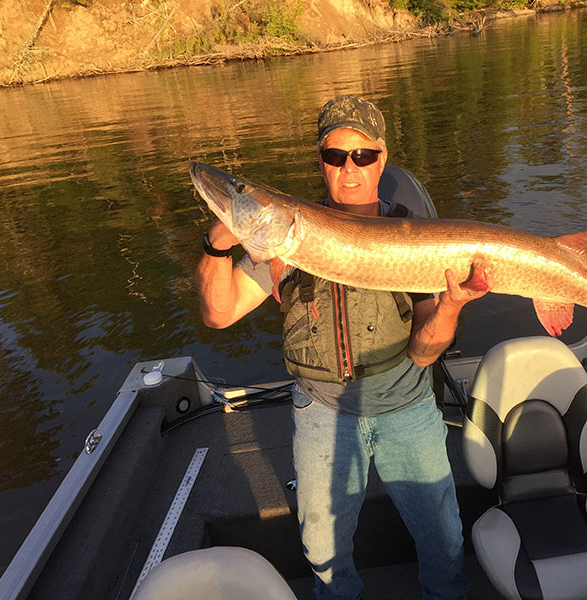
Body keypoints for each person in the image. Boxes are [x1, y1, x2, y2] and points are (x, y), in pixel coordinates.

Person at [195, 95, 493, 600]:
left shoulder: (416, 236)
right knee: (324, 554)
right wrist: (215, 245)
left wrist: (451, 305)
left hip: (407, 406)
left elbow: (424, 354)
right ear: (320, 162)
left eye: (362, 156)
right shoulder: (283, 237)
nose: (349, 169)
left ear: (381, 157)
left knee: (443, 543)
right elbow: (218, 313)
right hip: (322, 412)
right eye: (335, 157)